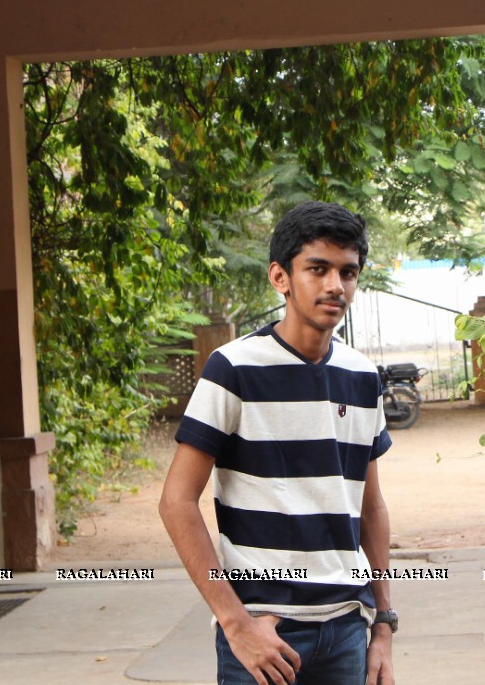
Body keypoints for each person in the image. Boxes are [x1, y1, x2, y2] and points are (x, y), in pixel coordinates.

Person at [160, 200, 396, 685]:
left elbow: (370, 509)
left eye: (347, 272)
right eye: (318, 268)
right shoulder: (234, 369)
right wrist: (235, 622)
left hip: (347, 631)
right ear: (280, 277)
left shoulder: (362, 376)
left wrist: (384, 627)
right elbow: (176, 502)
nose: (335, 285)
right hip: (265, 633)